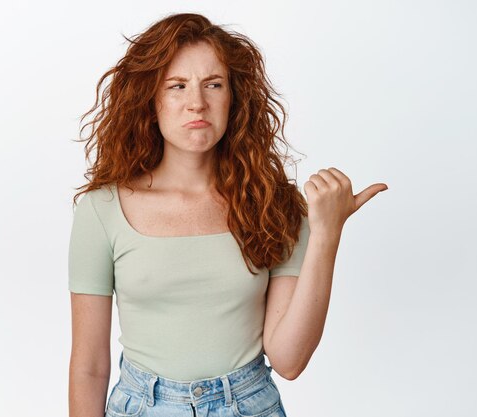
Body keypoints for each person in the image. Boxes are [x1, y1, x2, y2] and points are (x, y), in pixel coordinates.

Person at [67, 12, 388, 417]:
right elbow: (89, 368)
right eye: (177, 86)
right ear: (151, 100)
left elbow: (289, 360)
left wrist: (327, 234)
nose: (196, 103)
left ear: (234, 97)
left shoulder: (277, 204)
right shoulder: (102, 210)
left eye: (213, 85)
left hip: (250, 406)